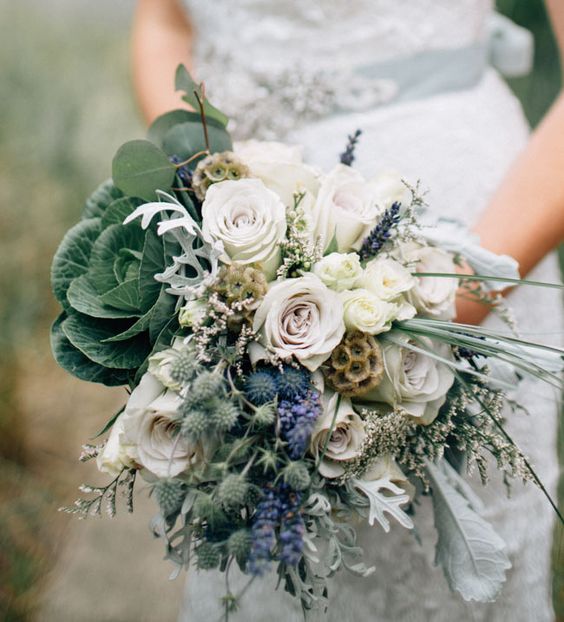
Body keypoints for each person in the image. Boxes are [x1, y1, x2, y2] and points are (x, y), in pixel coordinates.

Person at [131, 1, 564, 620]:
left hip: (464, 249)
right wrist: (209, 188)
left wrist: (446, 302)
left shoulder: (455, 288)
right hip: (235, 255)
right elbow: (164, 21)